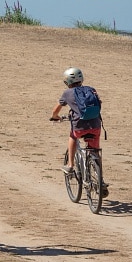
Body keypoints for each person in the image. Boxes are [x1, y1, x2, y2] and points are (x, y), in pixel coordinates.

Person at [50, 67, 108, 196]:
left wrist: (55, 117)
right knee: (94, 152)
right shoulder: (91, 89)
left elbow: (56, 110)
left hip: (79, 127)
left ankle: (70, 165)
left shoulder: (67, 93)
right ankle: (100, 180)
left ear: (67, 82)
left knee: (72, 137)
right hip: (95, 125)